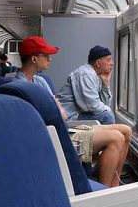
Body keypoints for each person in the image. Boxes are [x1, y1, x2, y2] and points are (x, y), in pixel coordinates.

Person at [14, 37, 130, 187]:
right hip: (56, 135)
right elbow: (58, 114)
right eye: (46, 55)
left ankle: (115, 185)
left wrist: (105, 84)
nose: (50, 58)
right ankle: (105, 192)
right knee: (116, 138)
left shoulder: (40, 81)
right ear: (34, 59)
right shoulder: (21, 88)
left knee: (126, 131)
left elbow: (56, 108)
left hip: (63, 126)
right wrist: (57, 108)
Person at [57, 45, 133, 186]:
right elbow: (90, 105)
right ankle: (105, 168)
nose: (112, 63)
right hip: (71, 120)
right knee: (108, 117)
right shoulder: (86, 74)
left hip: (80, 116)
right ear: (98, 63)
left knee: (127, 131)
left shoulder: (96, 76)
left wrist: (105, 84)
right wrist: (107, 110)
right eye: (109, 60)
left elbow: (103, 103)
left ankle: (115, 181)